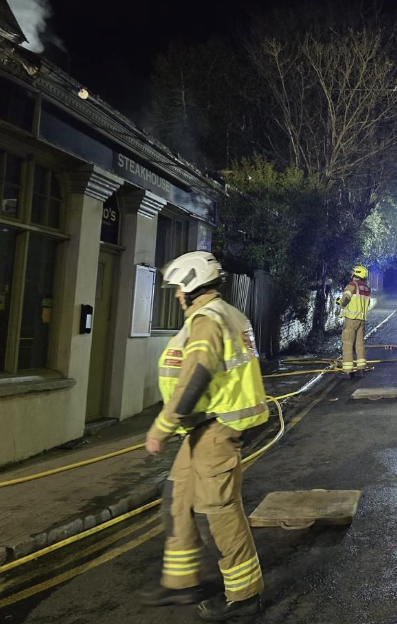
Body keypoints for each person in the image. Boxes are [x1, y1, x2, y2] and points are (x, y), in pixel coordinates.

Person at [139, 251, 268, 622]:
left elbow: (195, 377)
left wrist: (161, 428)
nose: (177, 294)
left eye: (179, 287)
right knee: (177, 495)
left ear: (193, 284)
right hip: (201, 427)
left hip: (216, 427)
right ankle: (181, 582)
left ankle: (244, 595)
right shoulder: (225, 313)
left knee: (219, 510)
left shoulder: (207, 321)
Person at [337, 264, 371, 372]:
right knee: (359, 343)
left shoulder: (352, 285)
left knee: (347, 342)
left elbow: (346, 299)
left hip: (351, 319)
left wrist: (340, 303)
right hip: (361, 320)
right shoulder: (366, 288)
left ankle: (347, 370)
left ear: (355, 274)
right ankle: (361, 368)